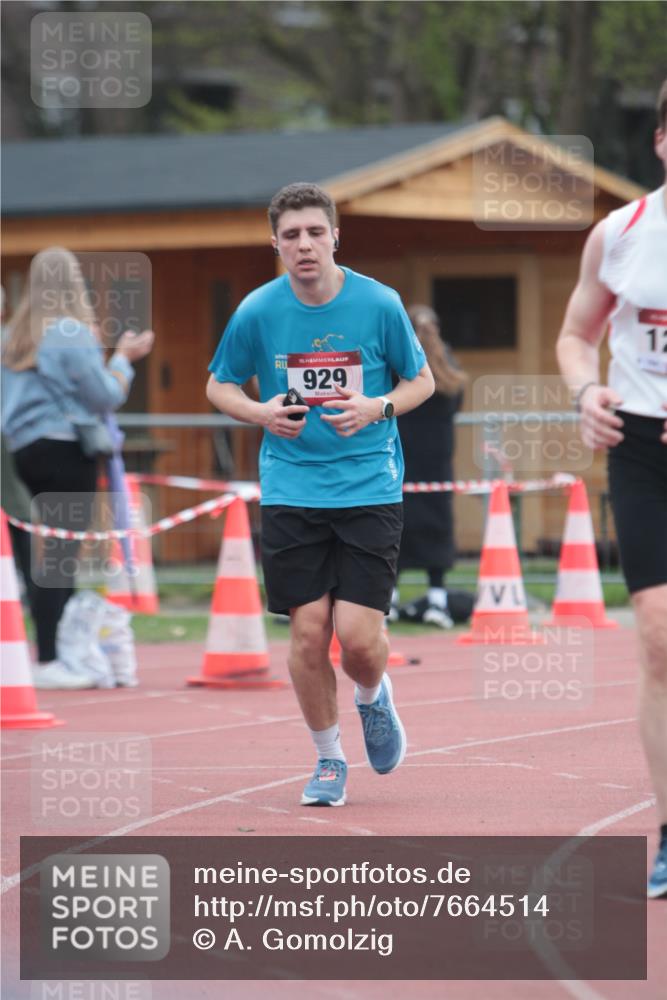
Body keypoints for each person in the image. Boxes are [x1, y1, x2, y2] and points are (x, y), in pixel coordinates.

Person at [207, 182, 434, 806]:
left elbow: (422, 380)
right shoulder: (257, 310)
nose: (303, 245)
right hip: (291, 487)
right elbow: (219, 384)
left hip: (369, 485)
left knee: (358, 641)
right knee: (308, 634)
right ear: (275, 244)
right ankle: (329, 758)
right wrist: (259, 411)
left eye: (314, 232)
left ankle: (372, 697)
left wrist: (377, 405)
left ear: (335, 235)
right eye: (290, 236)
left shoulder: (379, 303)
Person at [556, 79, 667, 899]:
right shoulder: (620, 234)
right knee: (659, 638)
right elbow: (574, 333)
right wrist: (582, 391)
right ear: (660, 142)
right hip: (640, 448)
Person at [1, 247, 154, 690]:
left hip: (20, 452)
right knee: (61, 558)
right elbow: (104, 396)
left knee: (36, 557)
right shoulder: (69, 331)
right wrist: (124, 359)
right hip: (66, 450)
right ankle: (50, 658)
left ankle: (53, 653)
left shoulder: (12, 335)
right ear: (73, 285)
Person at [390, 304, 466, 627]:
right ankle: (437, 601)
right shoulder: (448, 368)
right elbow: (456, 403)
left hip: (402, 459)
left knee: (395, 527)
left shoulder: (399, 363)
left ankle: (389, 602)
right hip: (437, 462)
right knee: (438, 527)